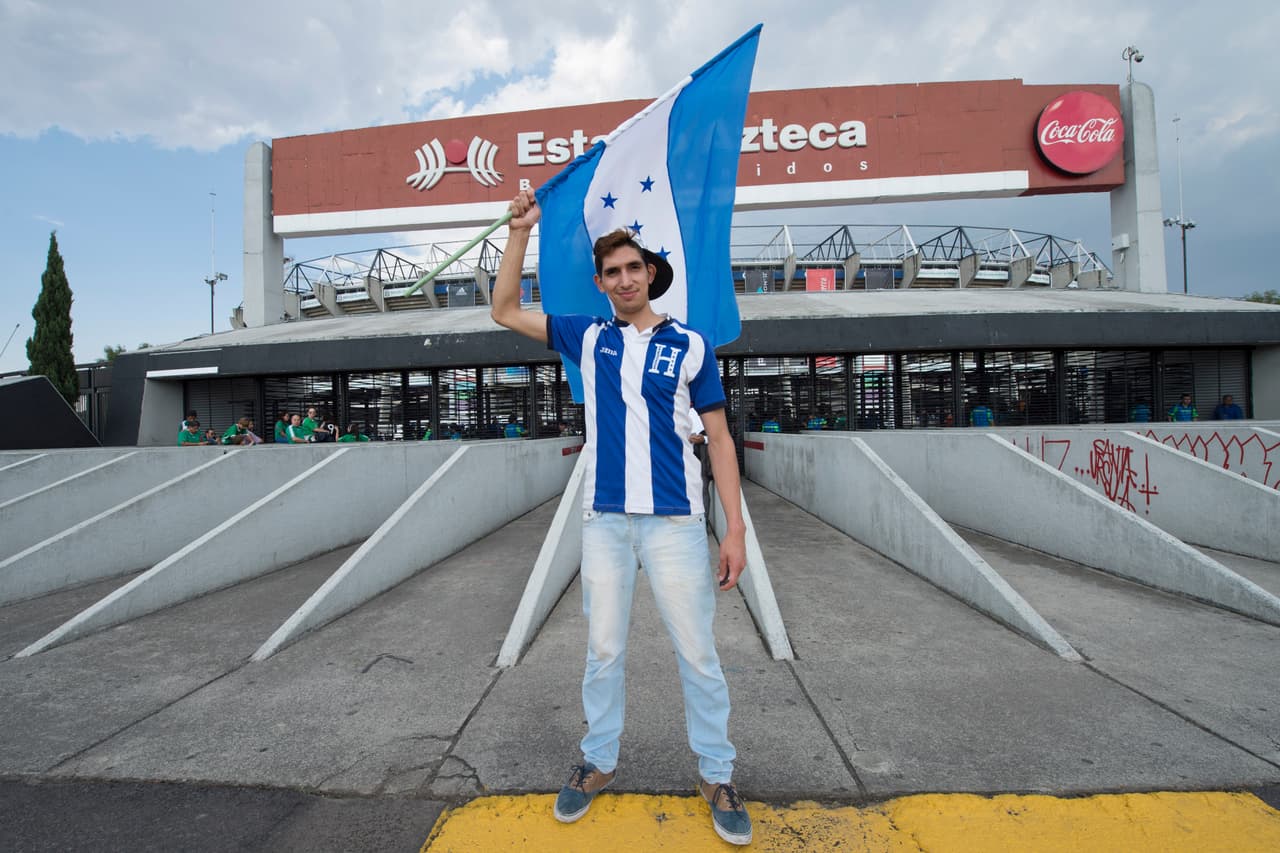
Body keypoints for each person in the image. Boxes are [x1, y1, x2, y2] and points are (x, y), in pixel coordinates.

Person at [490, 189, 751, 846]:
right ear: (603, 282)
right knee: (603, 651)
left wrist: (737, 529)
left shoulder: (691, 344)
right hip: (604, 521)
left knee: (698, 653)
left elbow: (718, 439)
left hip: (676, 525)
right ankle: (599, 760)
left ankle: (716, 772)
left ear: (651, 273)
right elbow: (503, 310)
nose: (625, 279)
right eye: (613, 271)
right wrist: (521, 232)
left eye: (635, 267)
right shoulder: (588, 335)